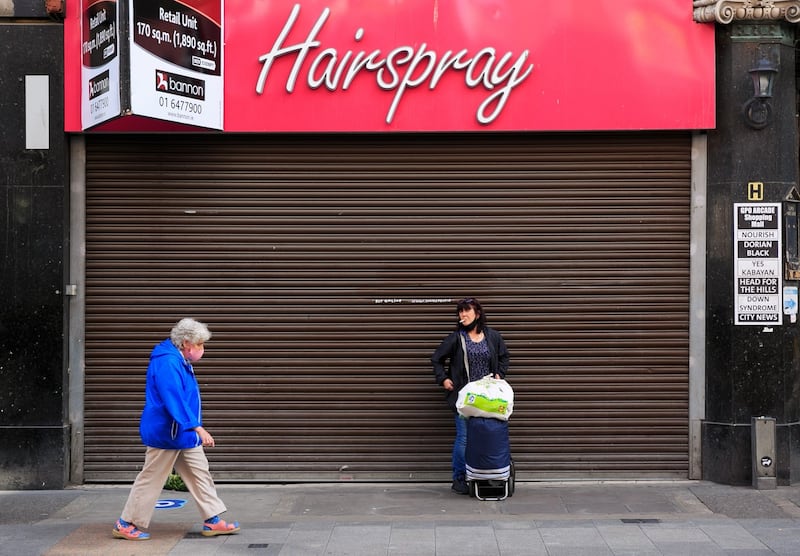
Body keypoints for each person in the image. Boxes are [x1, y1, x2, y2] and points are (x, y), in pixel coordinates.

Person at [112, 318, 240, 541]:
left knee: (200, 473)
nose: (202, 349)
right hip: (168, 433)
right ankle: (126, 523)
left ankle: (213, 520)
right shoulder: (168, 363)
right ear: (186, 343)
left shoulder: (178, 360)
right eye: (199, 344)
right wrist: (198, 428)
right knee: (151, 478)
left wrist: (192, 428)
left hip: (181, 433)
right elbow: (174, 399)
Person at [431, 297, 510, 495]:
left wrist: (500, 373)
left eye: (466, 311)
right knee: (464, 438)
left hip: (489, 396)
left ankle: (485, 475)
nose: (462, 315)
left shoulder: (492, 336)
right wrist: (444, 379)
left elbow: (504, 356)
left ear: (478, 313)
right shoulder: (456, 338)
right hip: (465, 398)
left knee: (488, 435)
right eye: (460, 312)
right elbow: (436, 358)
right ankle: (459, 478)